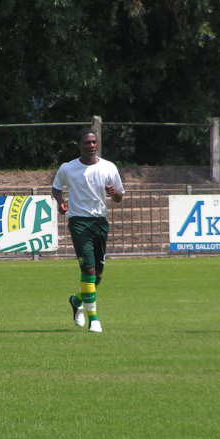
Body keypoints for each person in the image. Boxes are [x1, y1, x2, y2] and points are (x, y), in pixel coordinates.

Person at [52, 128, 125, 333]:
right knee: (88, 271)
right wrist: (61, 203)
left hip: (99, 222)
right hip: (79, 223)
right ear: (79, 145)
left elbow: (119, 197)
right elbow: (57, 187)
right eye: (87, 142)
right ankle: (95, 319)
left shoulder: (109, 167)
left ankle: (76, 301)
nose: (91, 146)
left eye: (94, 142)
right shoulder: (68, 168)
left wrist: (115, 193)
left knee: (98, 276)